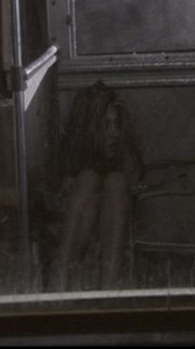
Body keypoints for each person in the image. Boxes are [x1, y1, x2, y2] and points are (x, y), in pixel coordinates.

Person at [50, 81, 142, 291]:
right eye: (105, 125)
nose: (114, 133)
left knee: (115, 182)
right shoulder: (75, 161)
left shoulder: (125, 156)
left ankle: (106, 290)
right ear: (90, 129)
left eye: (117, 124)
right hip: (80, 238)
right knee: (88, 179)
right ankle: (59, 279)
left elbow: (132, 184)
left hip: (113, 235)